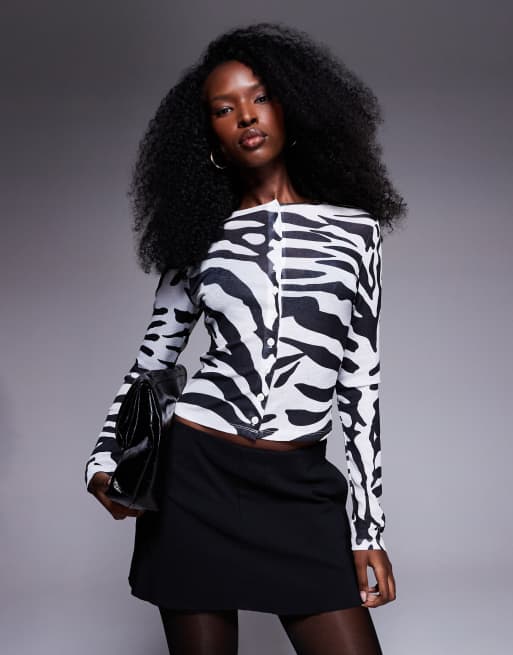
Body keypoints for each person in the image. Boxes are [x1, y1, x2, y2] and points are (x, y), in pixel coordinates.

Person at [85, 21, 406, 655]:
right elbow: (153, 362)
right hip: (194, 479)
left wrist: (367, 529)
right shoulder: (199, 237)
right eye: (223, 108)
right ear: (209, 136)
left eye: (260, 97)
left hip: (298, 486)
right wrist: (103, 458)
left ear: (292, 107)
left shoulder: (356, 233)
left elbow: (360, 383)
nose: (246, 116)